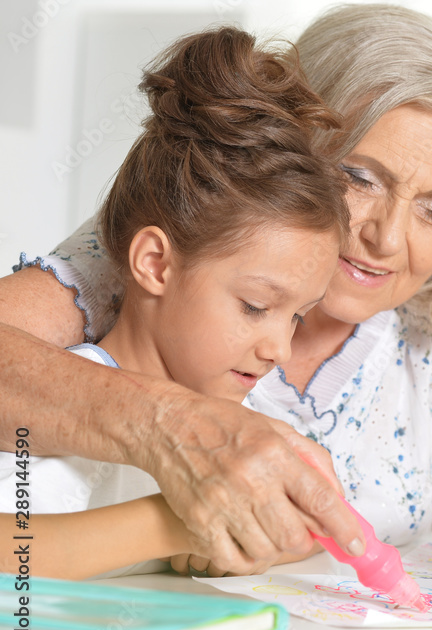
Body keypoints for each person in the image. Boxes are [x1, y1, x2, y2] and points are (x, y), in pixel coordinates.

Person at [0, 4, 432, 586]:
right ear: (289, 142)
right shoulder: (183, 242)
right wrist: (173, 443)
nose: (386, 238)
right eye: (360, 177)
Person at [0, 27, 348, 579]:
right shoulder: (43, 414)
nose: (280, 348)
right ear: (155, 264)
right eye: (255, 306)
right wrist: (172, 524)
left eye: (298, 315)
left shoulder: (240, 423)